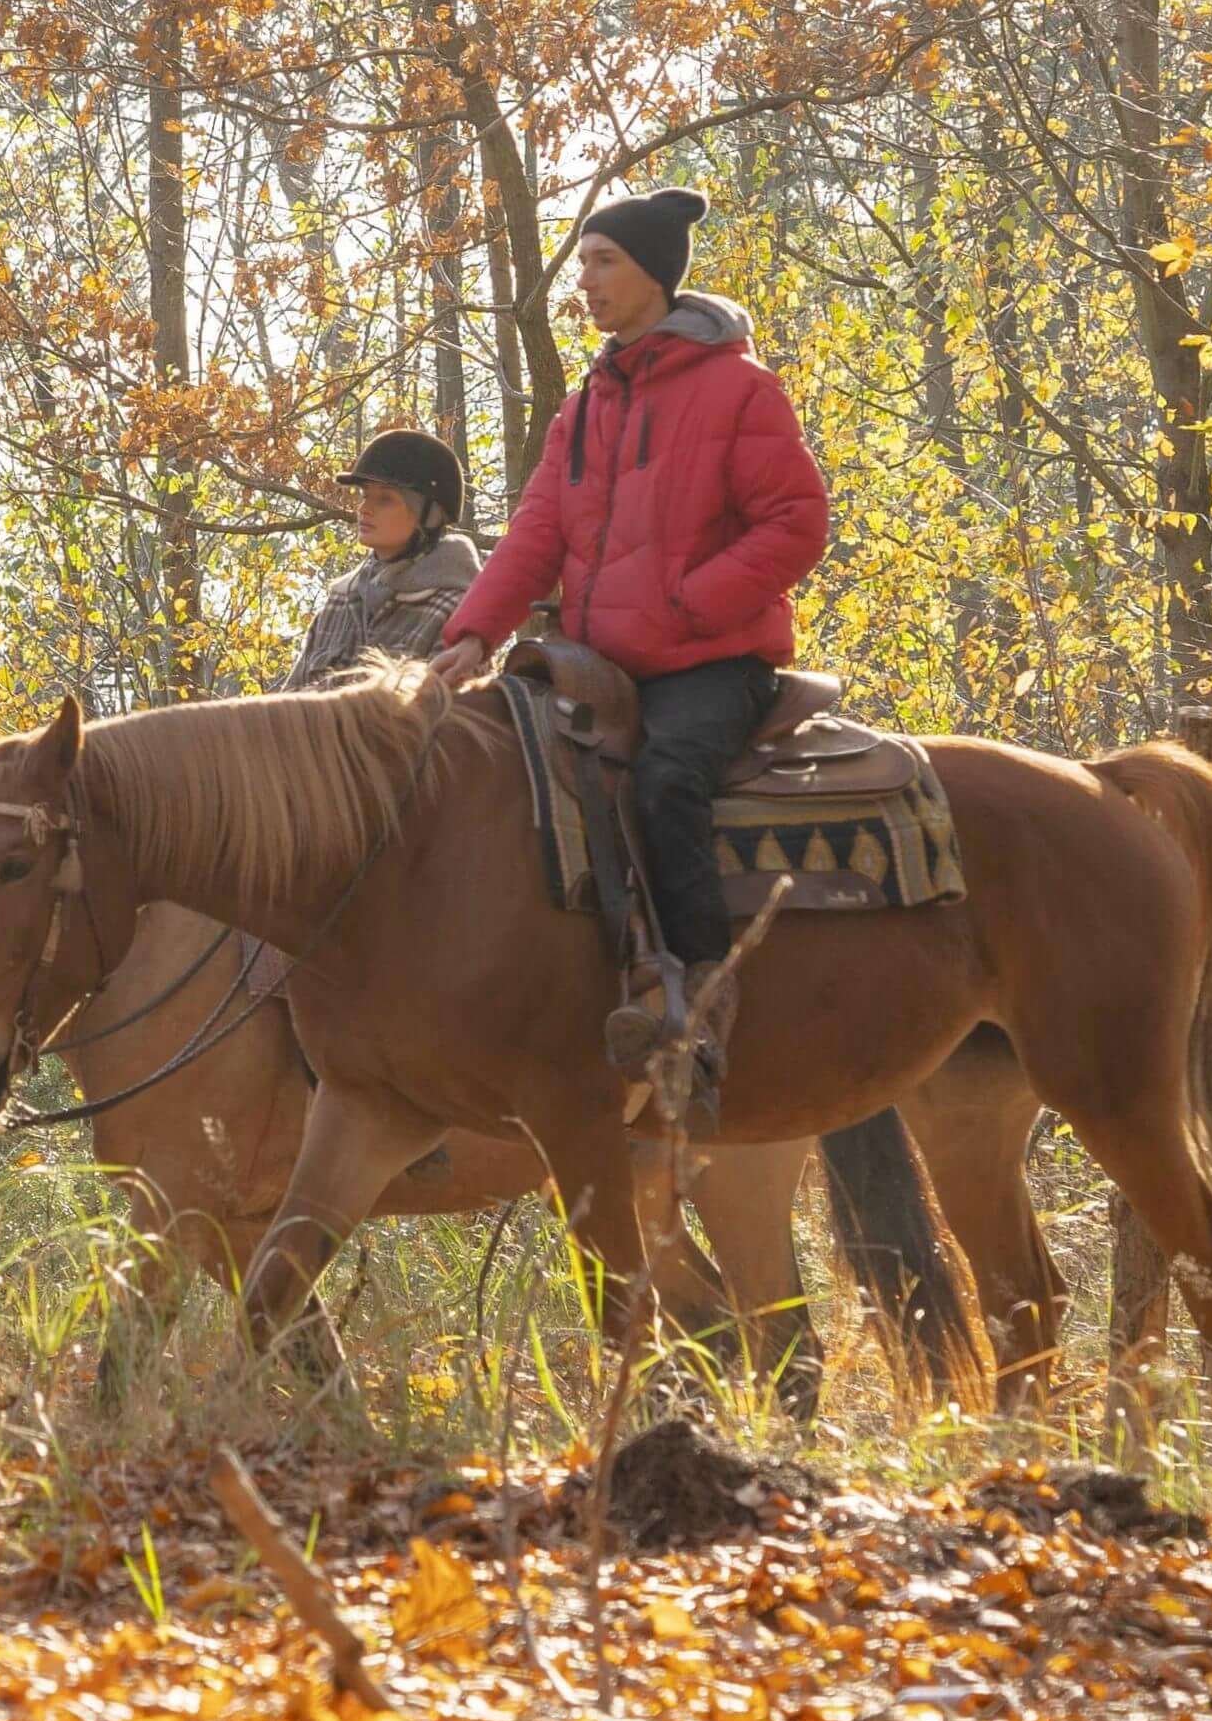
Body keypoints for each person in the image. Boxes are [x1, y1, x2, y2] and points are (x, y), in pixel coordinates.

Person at [436, 187, 828, 1093]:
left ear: (654, 273)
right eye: (581, 263)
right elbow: (538, 530)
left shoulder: (741, 389)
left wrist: (690, 603)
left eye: (603, 261)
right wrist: (473, 635)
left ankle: (697, 997)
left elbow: (797, 523)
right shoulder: (587, 406)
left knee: (665, 783)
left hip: (711, 662)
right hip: (597, 666)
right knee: (499, 780)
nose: (586, 281)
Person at [283, 430, 485, 687]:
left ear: (430, 515)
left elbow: (455, 720)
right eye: (365, 495)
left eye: (385, 499)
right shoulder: (339, 602)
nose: (364, 508)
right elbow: (287, 705)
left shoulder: (456, 610)